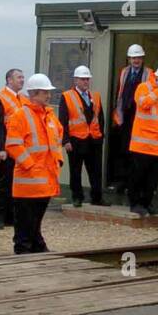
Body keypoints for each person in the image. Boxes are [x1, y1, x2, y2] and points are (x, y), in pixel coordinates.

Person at [3, 73, 64, 253]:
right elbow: (13, 145)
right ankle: (24, 249)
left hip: (46, 179)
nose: (49, 95)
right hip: (28, 182)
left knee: (35, 219)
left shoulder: (50, 116)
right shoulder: (20, 115)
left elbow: (57, 138)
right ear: (35, 94)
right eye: (45, 92)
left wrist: (58, 160)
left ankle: (36, 246)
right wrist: (30, 165)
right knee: (25, 221)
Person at [127, 63, 158, 218]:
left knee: (153, 179)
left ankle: (147, 203)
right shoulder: (144, 88)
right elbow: (143, 104)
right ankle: (135, 204)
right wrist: (157, 91)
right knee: (138, 177)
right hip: (142, 145)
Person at [108, 44, 151, 201]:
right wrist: (117, 114)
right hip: (125, 116)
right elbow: (119, 93)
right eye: (133, 58)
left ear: (142, 58)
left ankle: (135, 185)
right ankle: (122, 181)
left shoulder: (148, 74)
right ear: (129, 59)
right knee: (123, 150)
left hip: (140, 118)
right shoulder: (124, 72)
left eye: (138, 57)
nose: (136, 60)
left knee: (136, 153)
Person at [60, 64, 106, 208]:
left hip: (94, 139)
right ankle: (77, 197)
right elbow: (63, 120)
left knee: (96, 170)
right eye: (83, 79)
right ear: (76, 80)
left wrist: (100, 136)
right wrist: (65, 140)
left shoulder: (96, 96)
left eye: (87, 79)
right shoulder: (67, 96)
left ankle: (97, 197)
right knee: (75, 170)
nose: (86, 82)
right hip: (75, 140)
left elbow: (101, 117)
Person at [0, 68, 26, 229]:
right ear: (9, 80)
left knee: (15, 183)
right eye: (19, 77)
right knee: (2, 183)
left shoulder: (24, 99)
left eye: (23, 77)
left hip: (20, 148)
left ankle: (11, 217)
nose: (22, 80)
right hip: (6, 148)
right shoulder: (0, 98)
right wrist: (0, 149)